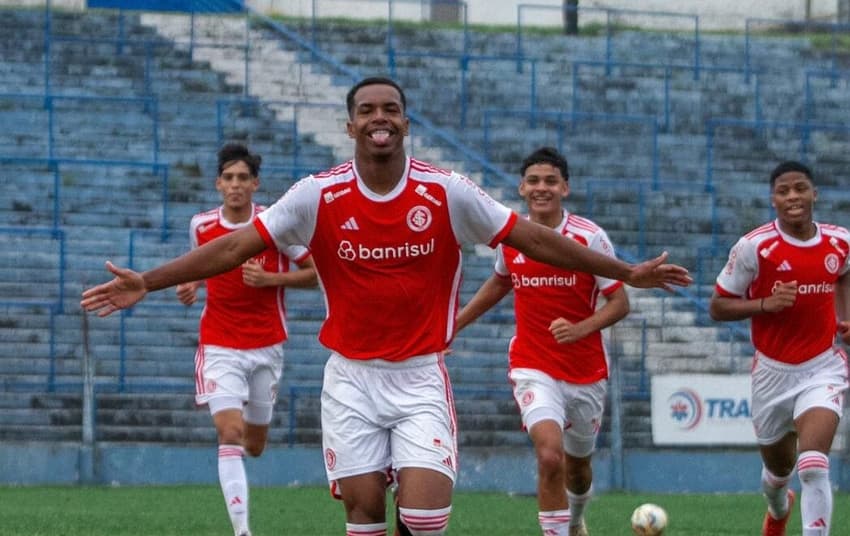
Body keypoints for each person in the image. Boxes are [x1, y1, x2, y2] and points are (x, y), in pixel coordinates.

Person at [81, 77, 691, 536]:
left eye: (390, 110)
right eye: (367, 110)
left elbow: (530, 237)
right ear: (350, 126)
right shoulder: (316, 195)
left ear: (405, 123)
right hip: (349, 380)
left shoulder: (446, 191)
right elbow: (237, 245)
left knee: (426, 519)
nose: (380, 118)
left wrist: (624, 271)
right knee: (365, 514)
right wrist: (151, 281)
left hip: (421, 375)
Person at [454, 147, 629, 536]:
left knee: (578, 468)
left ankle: (577, 518)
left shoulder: (589, 237)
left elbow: (620, 302)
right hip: (533, 365)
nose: (541, 187)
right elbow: (501, 282)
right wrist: (455, 325)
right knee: (550, 456)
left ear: (565, 188)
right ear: (521, 187)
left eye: (550, 181)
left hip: (586, 371)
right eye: (533, 181)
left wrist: (582, 328)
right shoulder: (513, 236)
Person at [176, 143, 317, 536]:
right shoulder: (201, 226)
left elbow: (317, 274)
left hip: (267, 346)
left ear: (255, 184)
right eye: (228, 178)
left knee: (254, 443)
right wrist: (190, 282)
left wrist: (272, 279)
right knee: (230, 433)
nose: (235, 185)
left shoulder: (274, 227)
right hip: (219, 343)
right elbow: (203, 264)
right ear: (218, 184)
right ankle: (242, 531)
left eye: (243, 178)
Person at [709, 160, 850, 536]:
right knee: (777, 475)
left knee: (814, 465)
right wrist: (763, 304)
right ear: (773, 199)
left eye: (800, 188)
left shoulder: (839, 241)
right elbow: (718, 306)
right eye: (784, 191)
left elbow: (843, 275)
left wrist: (844, 317)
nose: (793, 197)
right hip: (772, 373)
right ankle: (778, 509)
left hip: (823, 367)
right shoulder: (755, 247)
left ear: (814, 193)